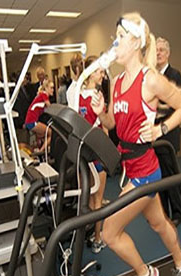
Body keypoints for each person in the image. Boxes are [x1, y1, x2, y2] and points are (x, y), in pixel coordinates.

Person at [90, 12, 181, 276]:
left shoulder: (150, 79)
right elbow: (112, 125)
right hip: (130, 166)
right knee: (159, 223)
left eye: (121, 37)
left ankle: (145, 274)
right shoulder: (120, 81)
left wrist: (160, 129)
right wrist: (101, 112)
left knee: (110, 231)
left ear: (136, 41)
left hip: (146, 171)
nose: (116, 42)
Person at [78, 56, 108, 253]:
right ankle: (97, 239)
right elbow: (104, 129)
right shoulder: (97, 98)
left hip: (81, 154)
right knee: (98, 200)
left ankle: (87, 232)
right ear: (90, 73)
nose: (103, 75)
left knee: (87, 198)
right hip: (96, 153)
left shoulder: (76, 94)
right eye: (100, 72)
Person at [155, 37, 181, 226]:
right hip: (155, 135)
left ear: (168, 54)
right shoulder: (152, 75)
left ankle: (177, 212)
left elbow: (173, 105)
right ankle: (163, 212)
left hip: (168, 135)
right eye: (156, 50)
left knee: (171, 176)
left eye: (161, 51)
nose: (158, 53)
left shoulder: (175, 75)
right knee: (159, 177)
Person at [24, 79, 54, 152]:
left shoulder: (40, 96)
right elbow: (50, 108)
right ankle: (41, 151)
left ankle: (42, 149)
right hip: (32, 121)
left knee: (43, 135)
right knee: (50, 133)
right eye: (51, 88)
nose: (53, 90)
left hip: (30, 121)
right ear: (46, 88)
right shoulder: (44, 95)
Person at [12, 73, 33, 145]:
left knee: (27, 140)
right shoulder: (16, 91)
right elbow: (18, 107)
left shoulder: (24, 89)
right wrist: (22, 122)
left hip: (26, 119)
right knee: (22, 141)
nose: (26, 79)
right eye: (25, 78)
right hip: (21, 122)